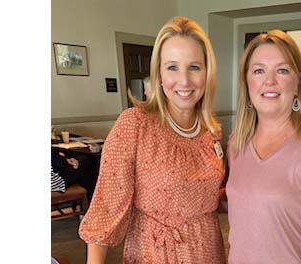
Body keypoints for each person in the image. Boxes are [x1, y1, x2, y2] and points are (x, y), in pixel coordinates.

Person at [78, 16, 226, 264]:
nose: (184, 81)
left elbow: (210, 195)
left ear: (207, 72)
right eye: (172, 67)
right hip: (156, 253)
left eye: (194, 67)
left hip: (208, 250)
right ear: (158, 73)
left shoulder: (211, 130)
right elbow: (106, 207)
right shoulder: (134, 125)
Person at [226, 30, 301, 264]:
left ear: (297, 82)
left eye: (282, 70)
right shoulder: (237, 142)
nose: (269, 81)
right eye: (259, 70)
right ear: (247, 81)